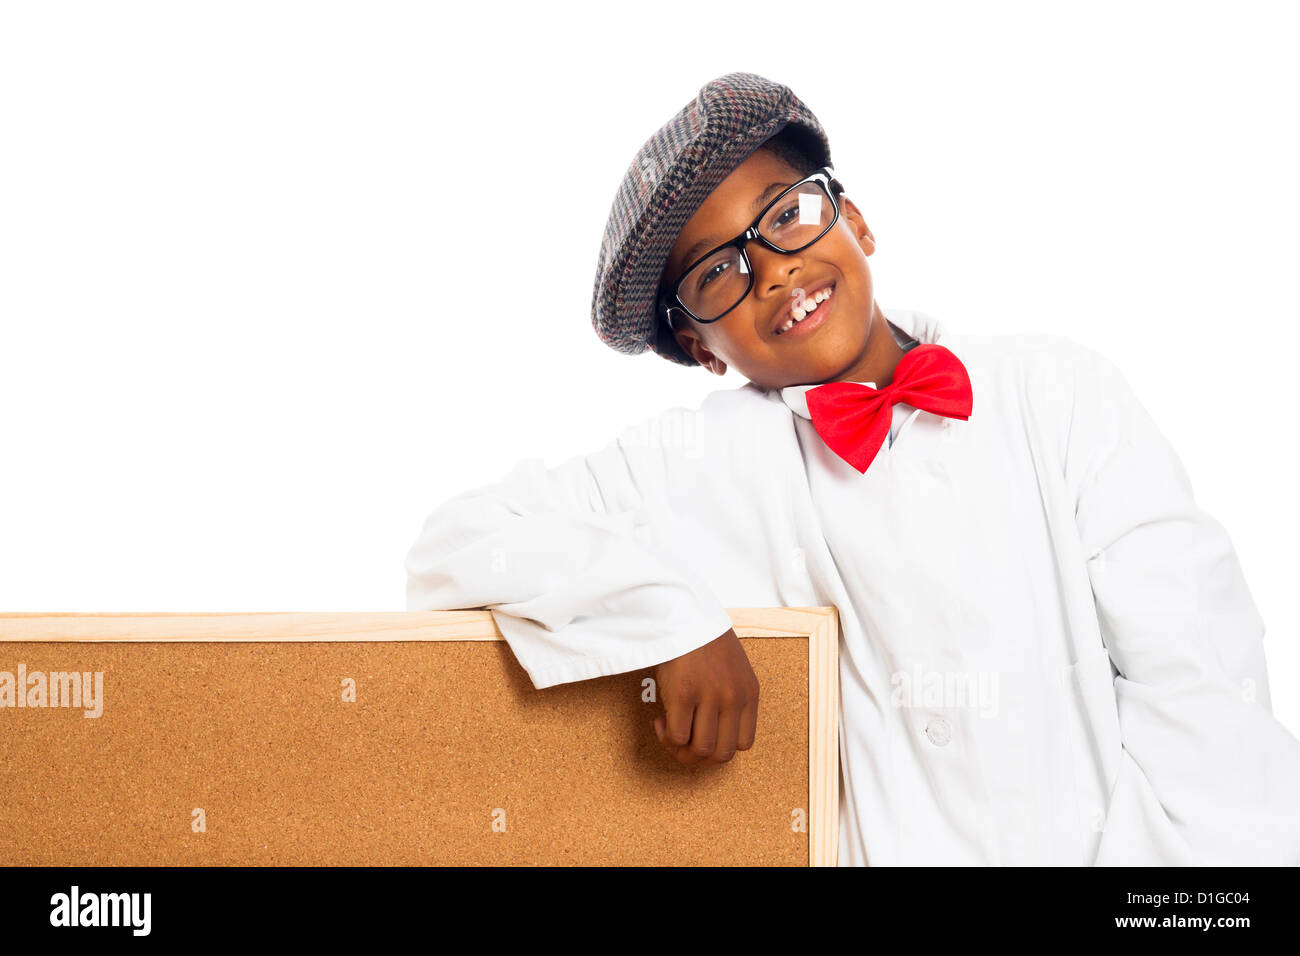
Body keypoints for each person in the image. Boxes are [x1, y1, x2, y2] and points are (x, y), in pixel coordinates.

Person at [405, 72, 1300, 865]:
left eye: (787, 216)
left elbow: (1204, 685)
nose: (774, 274)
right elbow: (457, 543)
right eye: (719, 273)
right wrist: (665, 620)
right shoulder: (698, 464)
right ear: (699, 346)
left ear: (855, 218)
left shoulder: (1059, 392)